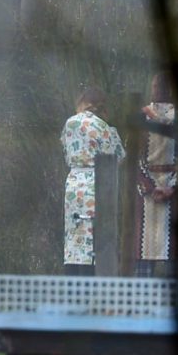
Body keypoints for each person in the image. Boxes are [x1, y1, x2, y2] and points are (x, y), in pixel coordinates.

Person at [59, 86, 126, 275]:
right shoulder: (103, 127)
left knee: (74, 236)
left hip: (73, 184)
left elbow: (65, 151)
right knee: (94, 237)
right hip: (96, 184)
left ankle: (72, 278)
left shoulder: (70, 123)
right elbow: (119, 157)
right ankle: (91, 280)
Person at [136, 72, 176, 277]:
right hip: (149, 193)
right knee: (146, 247)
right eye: (155, 86)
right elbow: (134, 156)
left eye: (160, 87)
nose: (157, 90)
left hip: (170, 189)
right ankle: (142, 295)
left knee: (173, 250)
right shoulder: (142, 116)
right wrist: (151, 187)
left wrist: (171, 187)